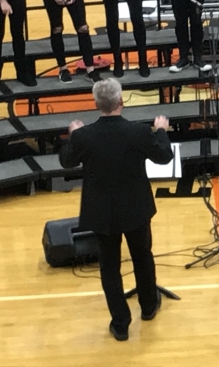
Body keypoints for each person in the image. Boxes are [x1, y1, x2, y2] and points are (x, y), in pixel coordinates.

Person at [60, 78, 174, 342]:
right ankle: (148, 306)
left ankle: (120, 324)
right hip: (135, 208)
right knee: (142, 256)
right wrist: (160, 131)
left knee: (109, 266)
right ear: (121, 101)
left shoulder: (85, 136)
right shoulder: (138, 132)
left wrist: (72, 135)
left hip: (102, 212)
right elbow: (164, 156)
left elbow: (66, 160)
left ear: (97, 104)